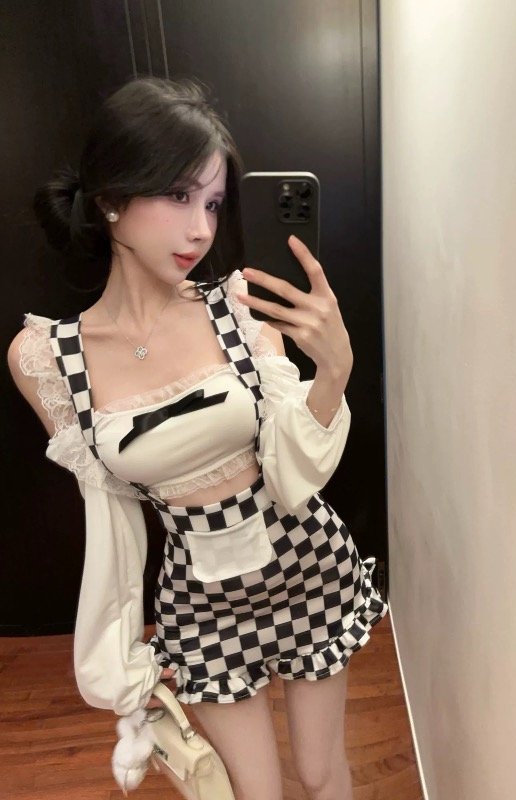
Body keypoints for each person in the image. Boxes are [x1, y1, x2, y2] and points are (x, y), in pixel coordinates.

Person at [7, 76, 388, 800]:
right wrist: (118, 660)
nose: (202, 230)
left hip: (307, 561)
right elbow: (113, 517)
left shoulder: (236, 309)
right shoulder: (47, 359)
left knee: (321, 772)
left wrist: (335, 368)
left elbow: (295, 471)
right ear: (112, 198)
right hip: (202, 599)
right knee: (254, 792)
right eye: (179, 195)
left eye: (212, 203)